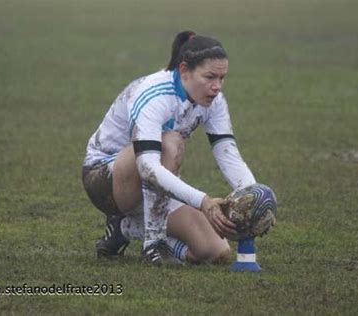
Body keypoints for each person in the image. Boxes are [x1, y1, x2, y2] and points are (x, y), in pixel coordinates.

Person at [82, 31, 256, 266]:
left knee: (215, 251)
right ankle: (153, 244)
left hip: (156, 184)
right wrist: (203, 202)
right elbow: (148, 168)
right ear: (184, 70)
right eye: (210, 77)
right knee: (171, 143)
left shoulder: (214, 100)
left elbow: (228, 155)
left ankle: (124, 228)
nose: (217, 87)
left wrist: (253, 196)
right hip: (105, 179)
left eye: (222, 78)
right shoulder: (154, 94)